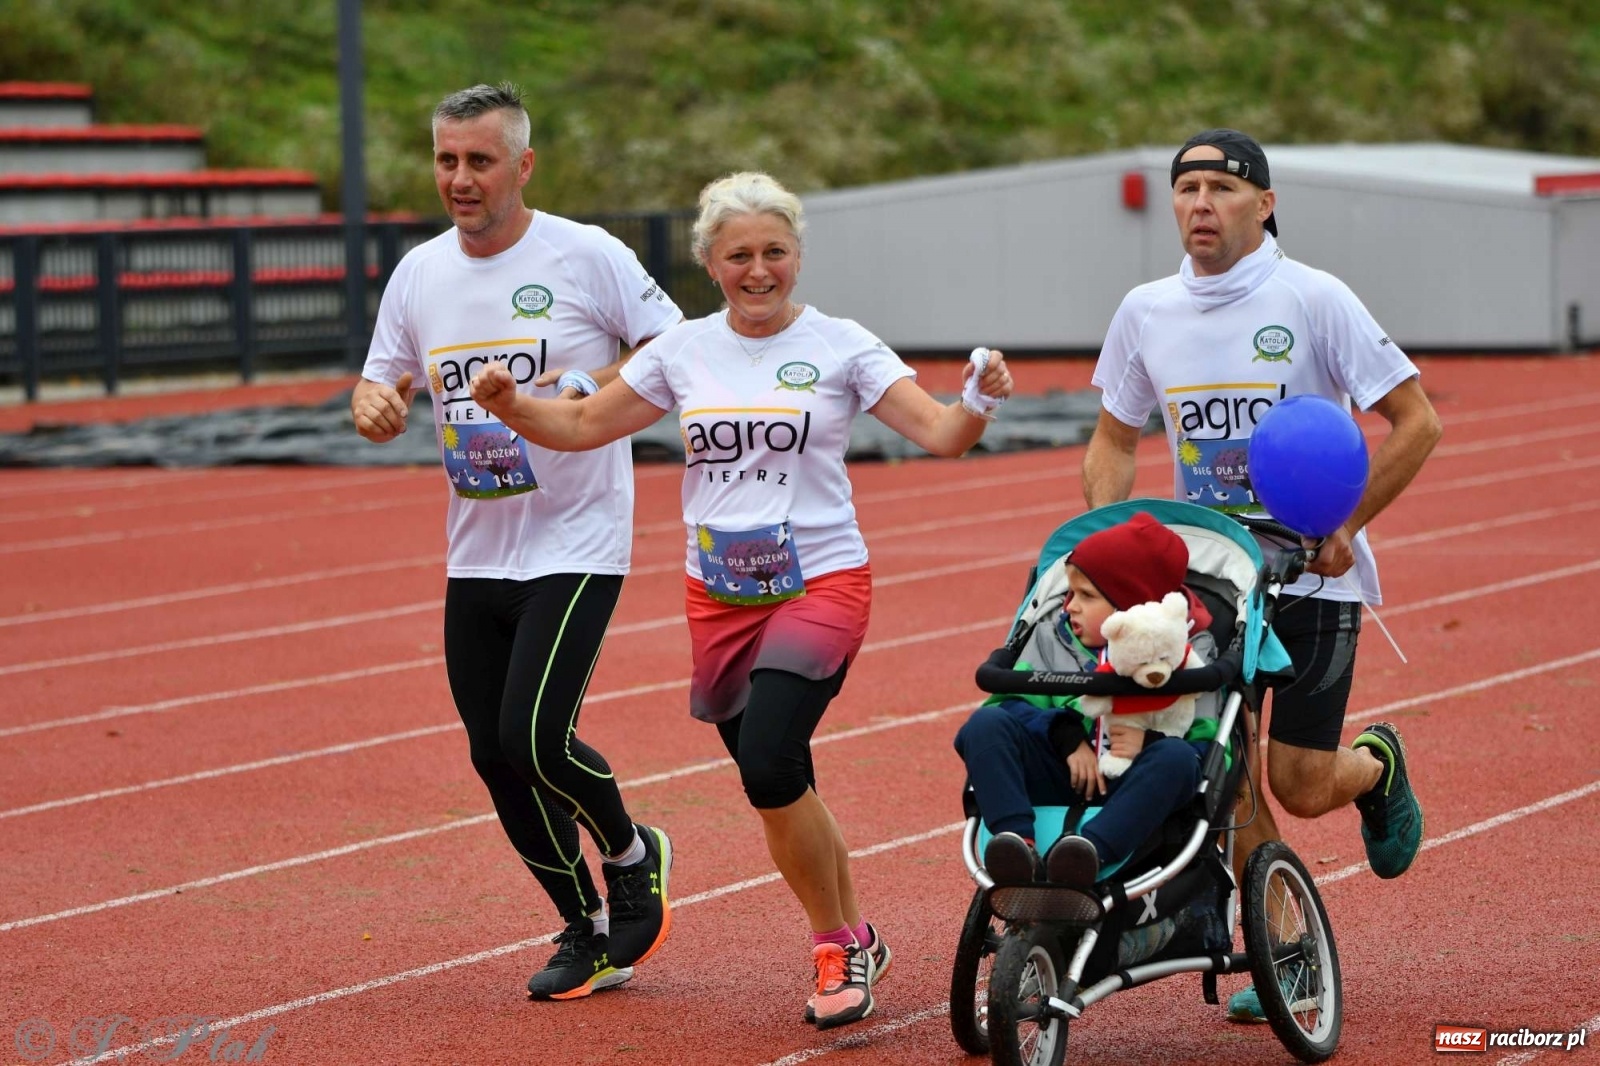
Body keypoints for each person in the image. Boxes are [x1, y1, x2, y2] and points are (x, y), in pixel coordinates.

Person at [466, 170, 1014, 1029]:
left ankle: (834, 950)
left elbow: (942, 434)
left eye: (774, 253)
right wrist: (511, 406)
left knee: (767, 762)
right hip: (718, 598)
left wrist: (978, 398)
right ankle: (860, 934)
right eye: (738, 256)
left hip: (822, 582)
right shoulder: (682, 350)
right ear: (709, 265)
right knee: (784, 777)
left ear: (797, 255)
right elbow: (578, 427)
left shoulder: (841, 344)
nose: (758, 270)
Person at [1080, 128, 1443, 1020]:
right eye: (1187, 187)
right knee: (1224, 775)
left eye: (1223, 188)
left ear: (1265, 203)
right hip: (1208, 581)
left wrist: (1350, 526)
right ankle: (1288, 958)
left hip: (1314, 575)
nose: (1201, 203)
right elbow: (1114, 437)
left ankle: (1379, 768)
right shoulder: (1146, 310)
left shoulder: (1314, 299)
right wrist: (1099, 537)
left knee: (1300, 782)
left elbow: (1416, 421)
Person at [350, 82, 681, 1002]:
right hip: (476, 547)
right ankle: (585, 924)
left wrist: (572, 389)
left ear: (522, 165)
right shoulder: (418, 273)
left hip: (576, 538)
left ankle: (630, 851)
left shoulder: (584, 254)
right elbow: (383, 386)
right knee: (491, 755)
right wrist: (373, 406)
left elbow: (673, 346)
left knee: (533, 735)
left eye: (480, 161)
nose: (460, 178)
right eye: (447, 160)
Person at [953, 513, 1224, 953]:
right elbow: (1010, 707)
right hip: (1064, 769)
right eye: (1070, 592)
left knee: (1177, 760)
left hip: (1135, 789)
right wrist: (1065, 737)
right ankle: (1014, 844)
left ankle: (1083, 858)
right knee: (986, 725)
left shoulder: (1191, 653)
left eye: (1085, 596)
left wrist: (1146, 744)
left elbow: (1206, 745)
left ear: (1130, 605)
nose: (1068, 605)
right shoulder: (1050, 637)